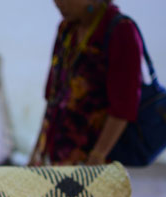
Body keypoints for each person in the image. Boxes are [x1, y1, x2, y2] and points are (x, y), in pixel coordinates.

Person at [29, 0, 142, 166]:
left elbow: (123, 106)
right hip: (58, 152)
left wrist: (98, 155)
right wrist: (38, 149)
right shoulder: (66, 30)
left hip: (93, 155)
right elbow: (53, 96)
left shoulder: (120, 30)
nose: (58, 3)